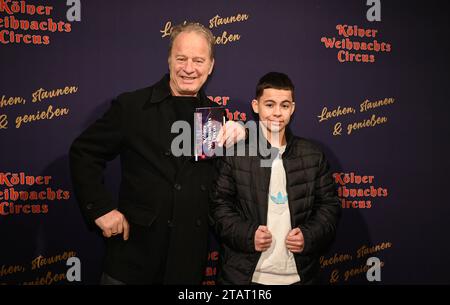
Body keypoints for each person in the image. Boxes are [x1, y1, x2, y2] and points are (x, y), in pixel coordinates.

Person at [69, 22, 246, 285]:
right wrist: (100, 209)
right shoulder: (133, 106)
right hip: (133, 259)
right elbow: (84, 153)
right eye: (181, 58)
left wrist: (243, 135)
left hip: (187, 261)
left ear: (210, 66)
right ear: (169, 60)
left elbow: (231, 181)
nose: (189, 68)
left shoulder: (216, 117)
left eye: (198, 60)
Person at [210, 72, 341, 285]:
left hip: (300, 275)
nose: (277, 113)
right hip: (245, 277)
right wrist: (248, 234)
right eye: (269, 105)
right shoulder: (235, 154)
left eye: (285, 105)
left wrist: (309, 236)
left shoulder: (313, 155)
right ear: (256, 105)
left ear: (293, 108)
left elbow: (329, 207)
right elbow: (218, 207)